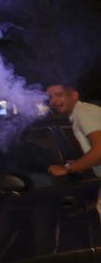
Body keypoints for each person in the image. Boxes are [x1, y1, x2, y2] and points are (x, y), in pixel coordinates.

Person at [46, 82, 101, 219]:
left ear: (74, 95)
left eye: (59, 95)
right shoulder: (84, 113)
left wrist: (68, 169)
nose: (54, 101)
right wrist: (80, 164)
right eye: (50, 98)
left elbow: (99, 151)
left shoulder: (84, 113)